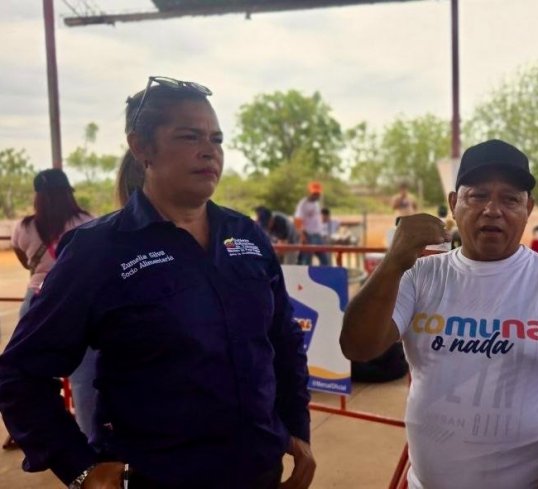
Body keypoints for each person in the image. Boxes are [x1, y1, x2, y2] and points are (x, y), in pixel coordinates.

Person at [0, 76, 314, 489]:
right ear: (142, 147)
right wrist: (78, 467)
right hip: (160, 477)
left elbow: (283, 342)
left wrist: (296, 428)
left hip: (258, 469)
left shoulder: (247, 236)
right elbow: (20, 373)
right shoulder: (99, 250)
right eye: (190, 136)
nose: (209, 150)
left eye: (216, 139)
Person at [341, 139, 538, 489]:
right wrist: (392, 262)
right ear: (454, 204)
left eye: (510, 199)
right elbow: (357, 347)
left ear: (528, 208)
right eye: (479, 195)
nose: (492, 209)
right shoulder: (419, 275)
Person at [6, 169, 93, 449]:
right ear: (69, 192)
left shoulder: (24, 227)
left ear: (37, 197)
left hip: (36, 302)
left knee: (33, 374)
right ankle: (89, 442)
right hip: (77, 302)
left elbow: (24, 260)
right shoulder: (86, 222)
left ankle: (39, 437)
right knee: (83, 379)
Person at [295, 181, 329, 266]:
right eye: (314, 193)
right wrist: (302, 236)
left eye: (318, 193)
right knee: (307, 261)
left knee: (325, 260)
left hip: (318, 235)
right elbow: (297, 220)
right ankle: (304, 279)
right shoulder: (303, 204)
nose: (316, 195)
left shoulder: (316, 203)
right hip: (309, 236)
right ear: (310, 192)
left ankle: (323, 278)